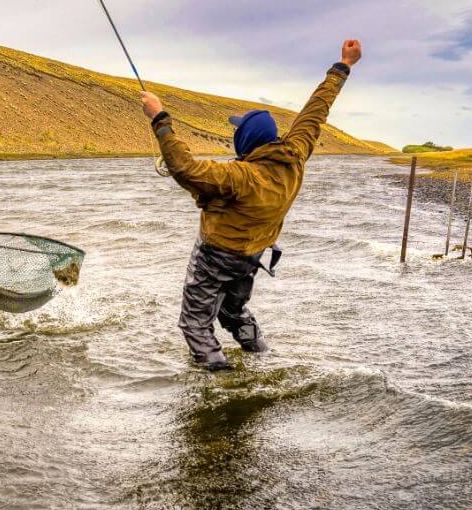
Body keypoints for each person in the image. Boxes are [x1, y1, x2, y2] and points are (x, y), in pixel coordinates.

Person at [139, 40, 362, 370]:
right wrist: (343, 66)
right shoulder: (295, 155)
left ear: (244, 143)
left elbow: (185, 168)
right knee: (233, 312)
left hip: (215, 255)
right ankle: (261, 358)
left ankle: (222, 384)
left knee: (195, 325)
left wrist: (159, 117)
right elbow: (316, 111)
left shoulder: (239, 176)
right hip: (251, 257)